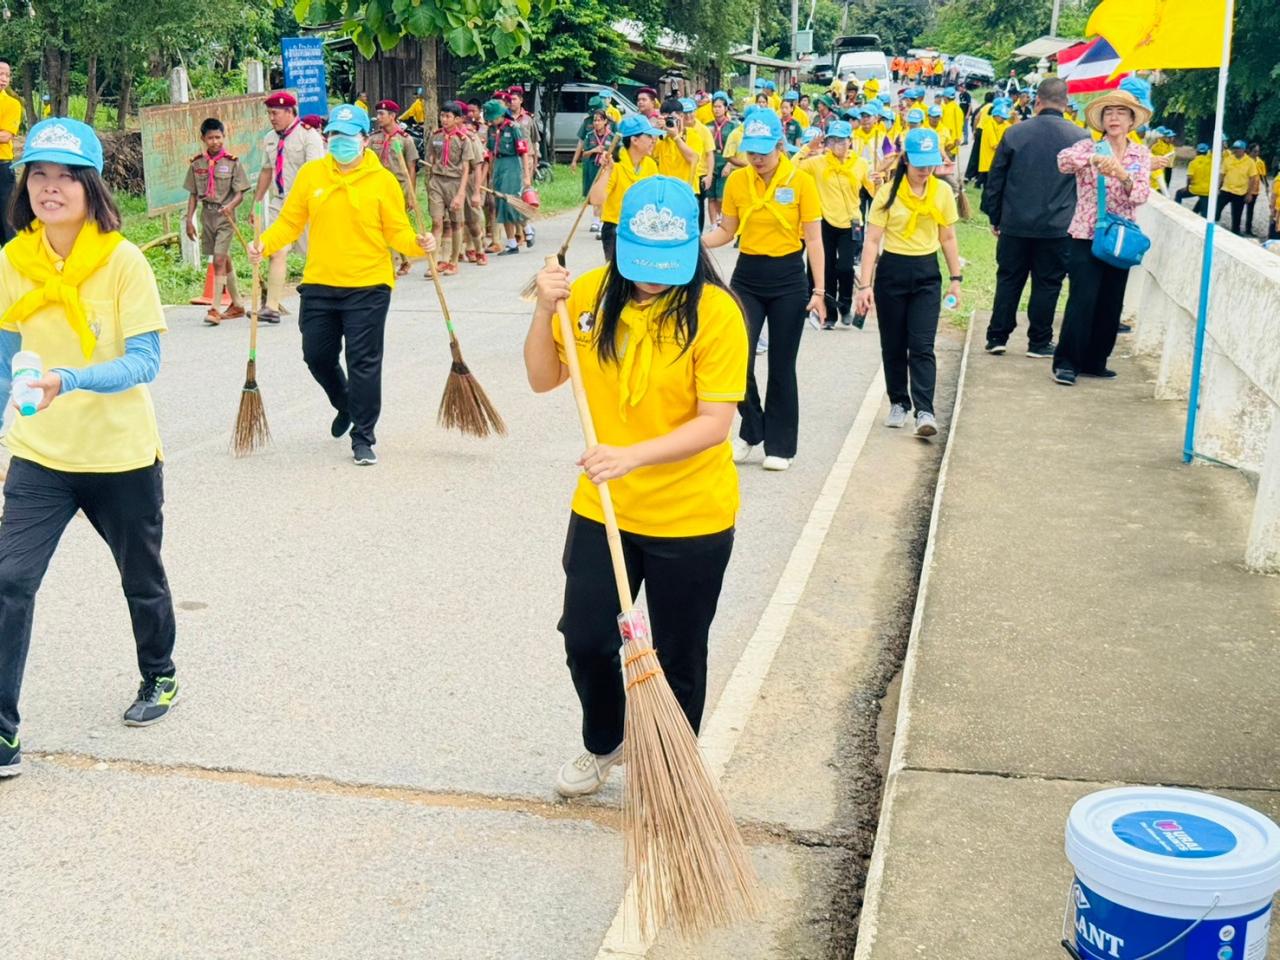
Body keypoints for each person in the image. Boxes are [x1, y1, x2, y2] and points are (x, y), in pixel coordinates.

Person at [524, 176, 747, 798]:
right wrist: (545, 311)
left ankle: (674, 773)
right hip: (605, 508)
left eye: (667, 265)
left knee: (679, 653)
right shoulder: (590, 295)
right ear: (617, 243)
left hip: (691, 515)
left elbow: (715, 423)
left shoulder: (716, 313)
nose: (653, 278)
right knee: (586, 638)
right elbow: (543, 378)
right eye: (641, 264)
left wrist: (630, 456)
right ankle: (606, 741)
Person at [0, 119, 182, 778]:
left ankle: (159, 674)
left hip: (119, 457)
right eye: (39, 175)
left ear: (90, 186)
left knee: (141, 579)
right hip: (40, 455)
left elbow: (144, 362)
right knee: (8, 581)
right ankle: (2, 734)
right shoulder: (13, 261)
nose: (50, 188)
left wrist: (68, 379)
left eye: (65, 176)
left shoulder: (123, 262)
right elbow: (3, 354)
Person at [248, 104, 436, 465]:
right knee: (316, 355)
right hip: (320, 282)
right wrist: (264, 244)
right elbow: (289, 222)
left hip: (369, 285)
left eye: (348, 136)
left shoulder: (381, 181)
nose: (340, 142)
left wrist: (418, 245)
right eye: (334, 135)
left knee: (363, 361)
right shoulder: (312, 175)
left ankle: (363, 437)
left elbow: (396, 231)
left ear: (365, 140)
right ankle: (345, 403)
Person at [704, 109, 826, 472]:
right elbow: (726, 231)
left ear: (779, 145)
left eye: (763, 151)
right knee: (737, 357)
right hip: (748, 276)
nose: (756, 159)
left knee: (781, 365)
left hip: (789, 276)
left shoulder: (800, 180)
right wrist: (694, 245)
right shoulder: (739, 181)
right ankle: (751, 429)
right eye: (751, 152)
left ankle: (781, 445)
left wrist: (819, 291)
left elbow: (815, 240)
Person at [856, 128, 961, 439]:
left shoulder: (941, 192)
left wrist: (956, 279)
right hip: (892, 271)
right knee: (894, 342)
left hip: (927, 272)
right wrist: (865, 286)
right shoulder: (887, 193)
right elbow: (872, 241)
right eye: (919, 164)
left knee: (922, 344)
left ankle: (925, 410)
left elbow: (948, 237)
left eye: (930, 164)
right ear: (905, 160)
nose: (925, 170)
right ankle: (899, 401)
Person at [981, 79, 1089, 358]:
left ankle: (997, 336)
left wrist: (995, 216)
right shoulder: (1081, 139)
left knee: (1009, 279)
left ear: (1037, 101)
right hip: (1057, 225)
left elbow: (996, 179)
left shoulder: (1015, 133)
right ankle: (1039, 341)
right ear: (1065, 104)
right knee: (1048, 282)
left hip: (1015, 223)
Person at [1052, 88, 1152, 386]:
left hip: (1121, 237)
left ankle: (1096, 360)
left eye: (1121, 112)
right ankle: (1067, 362)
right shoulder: (1088, 146)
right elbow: (1063, 162)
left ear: (1132, 120)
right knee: (1083, 298)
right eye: (1109, 112)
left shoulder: (1140, 154)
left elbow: (1141, 194)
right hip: (1086, 232)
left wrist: (1122, 174)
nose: (1114, 118)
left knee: (1111, 301)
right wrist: (1094, 160)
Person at [253, 91, 325, 323]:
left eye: (275, 113)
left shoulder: (309, 136)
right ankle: (271, 307)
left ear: (289, 111)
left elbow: (316, 174)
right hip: (280, 204)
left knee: (315, 254)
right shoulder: (270, 139)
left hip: (305, 205)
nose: (271, 118)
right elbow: (267, 170)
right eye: (269, 114)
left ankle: (326, 299)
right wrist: (256, 202)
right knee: (277, 251)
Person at [800, 119, 875, 329]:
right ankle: (831, 313)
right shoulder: (818, 163)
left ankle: (845, 305)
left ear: (850, 141)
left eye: (842, 141)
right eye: (833, 141)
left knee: (845, 267)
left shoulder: (860, 164)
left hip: (851, 221)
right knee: (828, 268)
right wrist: (808, 148)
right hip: (825, 221)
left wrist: (877, 182)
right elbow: (791, 167)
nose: (839, 145)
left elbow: (872, 189)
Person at [184, 118, 250, 324]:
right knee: (223, 257)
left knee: (218, 260)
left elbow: (240, 193)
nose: (215, 142)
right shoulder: (196, 164)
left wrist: (230, 206)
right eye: (210, 138)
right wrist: (189, 220)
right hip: (207, 216)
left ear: (224, 137)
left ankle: (214, 308)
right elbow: (193, 195)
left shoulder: (232, 162)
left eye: (218, 137)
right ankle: (238, 304)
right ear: (203, 139)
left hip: (225, 217)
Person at [588, 113, 662, 262]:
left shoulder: (650, 165)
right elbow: (595, 199)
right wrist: (607, 171)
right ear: (634, 140)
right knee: (619, 279)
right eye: (649, 136)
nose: (653, 140)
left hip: (643, 228)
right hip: (617, 229)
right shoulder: (615, 166)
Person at [423, 102, 479, 276]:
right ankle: (433, 263)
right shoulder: (436, 136)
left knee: (456, 222)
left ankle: (453, 261)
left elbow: (466, 168)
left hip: (455, 183)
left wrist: (461, 193)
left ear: (457, 119)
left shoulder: (464, 140)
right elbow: (431, 160)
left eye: (448, 117)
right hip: (437, 182)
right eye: (442, 116)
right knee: (437, 222)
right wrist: (429, 182)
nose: (444, 120)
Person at [368, 100, 420, 277]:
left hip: (399, 186)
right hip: (377, 185)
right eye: (378, 114)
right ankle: (389, 264)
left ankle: (404, 259)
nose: (379, 118)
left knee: (396, 223)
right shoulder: (374, 138)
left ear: (393, 116)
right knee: (379, 223)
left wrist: (412, 194)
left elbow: (412, 167)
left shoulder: (405, 139)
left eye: (382, 114)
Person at [483, 99, 532, 257]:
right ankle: (513, 241)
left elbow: (523, 152)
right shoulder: (491, 129)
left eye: (494, 117)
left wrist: (526, 176)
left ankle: (526, 230)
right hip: (498, 165)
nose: (491, 121)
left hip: (512, 164)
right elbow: (490, 153)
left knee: (510, 202)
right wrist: (491, 174)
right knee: (500, 203)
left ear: (501, 114)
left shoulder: (514, 128)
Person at [571, 110, 614, 236]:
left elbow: (617, 153)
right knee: (593, 193)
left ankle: (602, 221)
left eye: (600, 120)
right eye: (595, 120)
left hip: (605, 169)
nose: (597, 123)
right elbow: (584, 153)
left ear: (605, 121)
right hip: (592, 167)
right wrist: (594, 150)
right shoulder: (589, 135)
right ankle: (595, 220)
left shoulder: (611, 136)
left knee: (603, 194)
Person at [507, 86, 540, 248]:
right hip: (511, 161)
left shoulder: (528, 119)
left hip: (526, 161)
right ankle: (525, 230)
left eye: (514, 99)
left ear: (521, 100)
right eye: (509, 99)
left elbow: (534, 141)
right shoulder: (505, 119)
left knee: (521, 196)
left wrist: (535, 162)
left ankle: (524, 230)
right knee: (513, 197)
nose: (511, 102)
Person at [707, 91, 739, 228]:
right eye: (715, 106)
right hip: (711, 159)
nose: (717, 109)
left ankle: (721, 218)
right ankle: (713, 223)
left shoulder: (732, 126)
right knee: (711, 195)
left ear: (726, 108)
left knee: (721, 196)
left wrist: (729, 164)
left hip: (725, 160)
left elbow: (735, 148)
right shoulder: (708, 125)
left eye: (720, 106)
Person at [1218, 139, 1258, 236]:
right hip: (1226, 189)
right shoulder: (1228, 159)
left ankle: (1235, 232)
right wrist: (1218, 187)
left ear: (1244, 150)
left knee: (1237, 214)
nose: (1235, 150)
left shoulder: (1250, 162)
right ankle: (1213, 224)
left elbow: (1253, 178)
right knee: (1217, 208)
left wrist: (1249, 194)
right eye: (1234, 148)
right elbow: (1222, 174)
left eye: (1238, 148)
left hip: (1240, 192)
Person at [0, 61, 20, 247]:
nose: (3, 79)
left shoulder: (12, 104)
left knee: (6, 218)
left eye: (7, 75)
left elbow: (5, 136)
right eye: (0, 74)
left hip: (2, 166)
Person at [976, 99, 1013, 188]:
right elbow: (994, 145)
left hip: (998, 160)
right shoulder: (988, 125)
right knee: (989, 185)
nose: (1004, 119)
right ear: (995, 115)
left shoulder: (1004, 124)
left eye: (1005, 118)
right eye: (1002, 117)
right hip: (989, 160)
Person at [1175, 143, 1213, 215]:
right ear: (1207, 152)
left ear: (1197, 152)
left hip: (1195, 189)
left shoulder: (1193, 163)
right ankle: (1196, 214)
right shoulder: (1211, 161)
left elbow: (1189, 177)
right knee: (1204, 208)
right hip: (1207, 190)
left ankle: (1177, 211)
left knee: (1179, 193)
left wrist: (1187, 187)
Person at [1246, 143, 1267, 235]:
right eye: (1254, 151)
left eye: (1258, 151)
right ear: (1249, 151)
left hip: (1254, 190)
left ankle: (1248, 229)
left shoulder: (1260, 162)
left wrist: (1267, 186)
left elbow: (1263, 176)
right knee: (1238, 208)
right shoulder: (1245, 160)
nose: (1256, 153)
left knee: (1250, 210)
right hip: (1242, 188)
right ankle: (1236, 227)